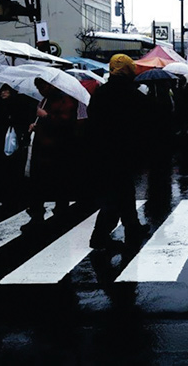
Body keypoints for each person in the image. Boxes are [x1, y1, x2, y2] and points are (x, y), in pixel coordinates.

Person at [88, 54, 150, 250]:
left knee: (122, 191)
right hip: (125, 152)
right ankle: (99, 237)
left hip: (102, 151)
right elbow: (143, 126)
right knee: (116, 195)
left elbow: (93, 119)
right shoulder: (134, 95)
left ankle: (133, 226)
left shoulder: (101, 92)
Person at [22, 77, 78, 232]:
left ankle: (61, 214)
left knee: (60, 183)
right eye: (38, 87)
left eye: (43, 86)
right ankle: (36, 216)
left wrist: (45, 116)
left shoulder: (65, 100)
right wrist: (35, 125)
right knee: (36, 185)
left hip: (58, 149)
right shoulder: (44, 101)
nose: (41, 90)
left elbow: (66, 123)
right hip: (41, 148)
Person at [0, 84, 34, 198]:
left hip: (13, 138)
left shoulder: (20, 103)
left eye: (6, 91)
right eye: (2, 91)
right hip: (1, 139)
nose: (3, 93)